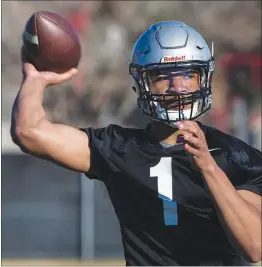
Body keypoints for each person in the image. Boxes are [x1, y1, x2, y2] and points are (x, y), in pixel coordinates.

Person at [11, 21, 261, 266]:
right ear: (142, 84)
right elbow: (29, 132)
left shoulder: (236, 156)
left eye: (188, 74)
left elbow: (254, 246)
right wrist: (36, 79)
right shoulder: (119, 148)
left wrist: (209, 168)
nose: (177, 87)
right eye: (162, 76)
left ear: (203, 79)